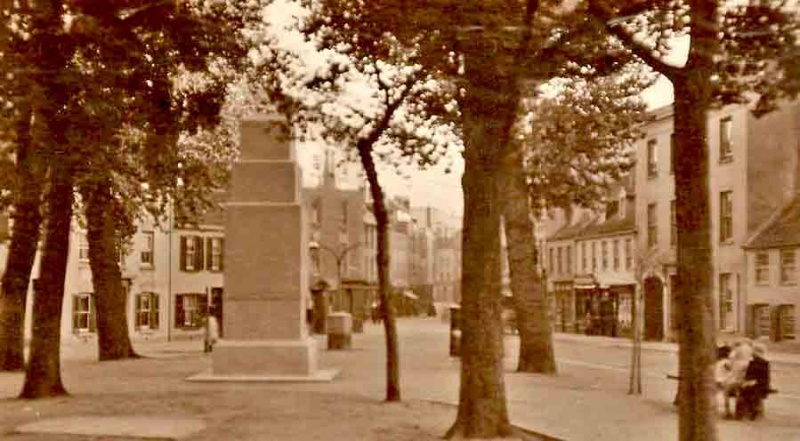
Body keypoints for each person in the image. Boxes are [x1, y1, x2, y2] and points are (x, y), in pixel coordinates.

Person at [736, 341, 771, 420]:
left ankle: (752, 411)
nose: (752, 353)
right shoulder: (752, 362)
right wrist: (746, 381)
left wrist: (754, 382)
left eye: (753, 352)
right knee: (743, 390)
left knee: (750, 392)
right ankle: (747, 411)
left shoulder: (764, 363)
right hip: (751, 383)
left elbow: (764, 377)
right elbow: (748, 375)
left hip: (760, 384)